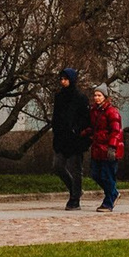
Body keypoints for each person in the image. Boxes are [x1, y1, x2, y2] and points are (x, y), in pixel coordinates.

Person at [51, 68, 92, 210]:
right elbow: (56, 117)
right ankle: (75, 190)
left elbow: (86, 119)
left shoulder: (80, 98)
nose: (63, 82)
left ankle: (75, 199)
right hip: (61, 138)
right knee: (58, 166)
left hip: (75, 139)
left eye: (65, 79)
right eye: (61, 79)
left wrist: (77, 130)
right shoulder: (59, 97)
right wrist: (56, 132)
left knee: (76, 169)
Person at [87, 84, 124, 212]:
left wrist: (112, 147)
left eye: (99, 95)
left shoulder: (112, 112)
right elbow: (93, 127)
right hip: (98, 147)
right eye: (95, 95)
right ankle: (113, 193)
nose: (96, 98)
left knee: (107, 176)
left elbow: (116, 131)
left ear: (105, 97)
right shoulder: (94, 111)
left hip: (108, 148)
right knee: (96, 174)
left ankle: (109, 202)